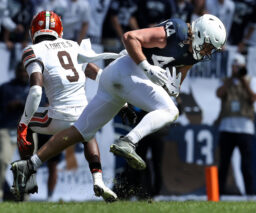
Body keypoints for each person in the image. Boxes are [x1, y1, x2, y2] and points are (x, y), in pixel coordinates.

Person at [10, 13, 227, 198]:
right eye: (208, 46)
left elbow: (181, 71)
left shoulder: (193, 52)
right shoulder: (177, 30)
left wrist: (174, 87)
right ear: (199, 33)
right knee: (170, 111)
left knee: (80, 132)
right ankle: (129, 141)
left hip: (114, 80)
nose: (208, 52)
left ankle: (29, 165)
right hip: (127, 71)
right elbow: (130, 37)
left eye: (212, 49)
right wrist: (148, 68)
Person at [10, 10, 128, 202]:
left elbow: (36, 92)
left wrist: (23, 123)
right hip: (82, 116)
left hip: (57, 116)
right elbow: (98, 74)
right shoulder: (73, 45)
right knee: (88, 131)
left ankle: (28, 175)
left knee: (28, 124)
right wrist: (122, 101)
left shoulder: (33, 50)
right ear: (59, 30)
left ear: (34, 31)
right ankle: (98, 179)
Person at [215, 53, 256, 196]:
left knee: (246, 165)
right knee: (224, 164)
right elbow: (219, 94)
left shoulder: (252, 80)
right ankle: (218, 195)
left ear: (244, 66)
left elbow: (253, 98)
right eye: (234, 66)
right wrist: (231, 79)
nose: (236, 69)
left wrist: (243, 80)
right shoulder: (225, 81)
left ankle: (250, 195)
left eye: (239, 67)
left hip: (245, 129)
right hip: (227, 127)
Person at [0, 62, 29, 201]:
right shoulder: (6, 88)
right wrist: (9, 105)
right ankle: (2, 193)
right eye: (21, 71)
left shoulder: (35, 89)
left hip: (28, 130)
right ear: (16, 72)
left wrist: (24, 105)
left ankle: (25, 196)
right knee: (3, 160)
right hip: (7, 128)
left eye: (25, 71)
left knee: (28, 164)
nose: (23, 74)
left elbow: (44, 107)